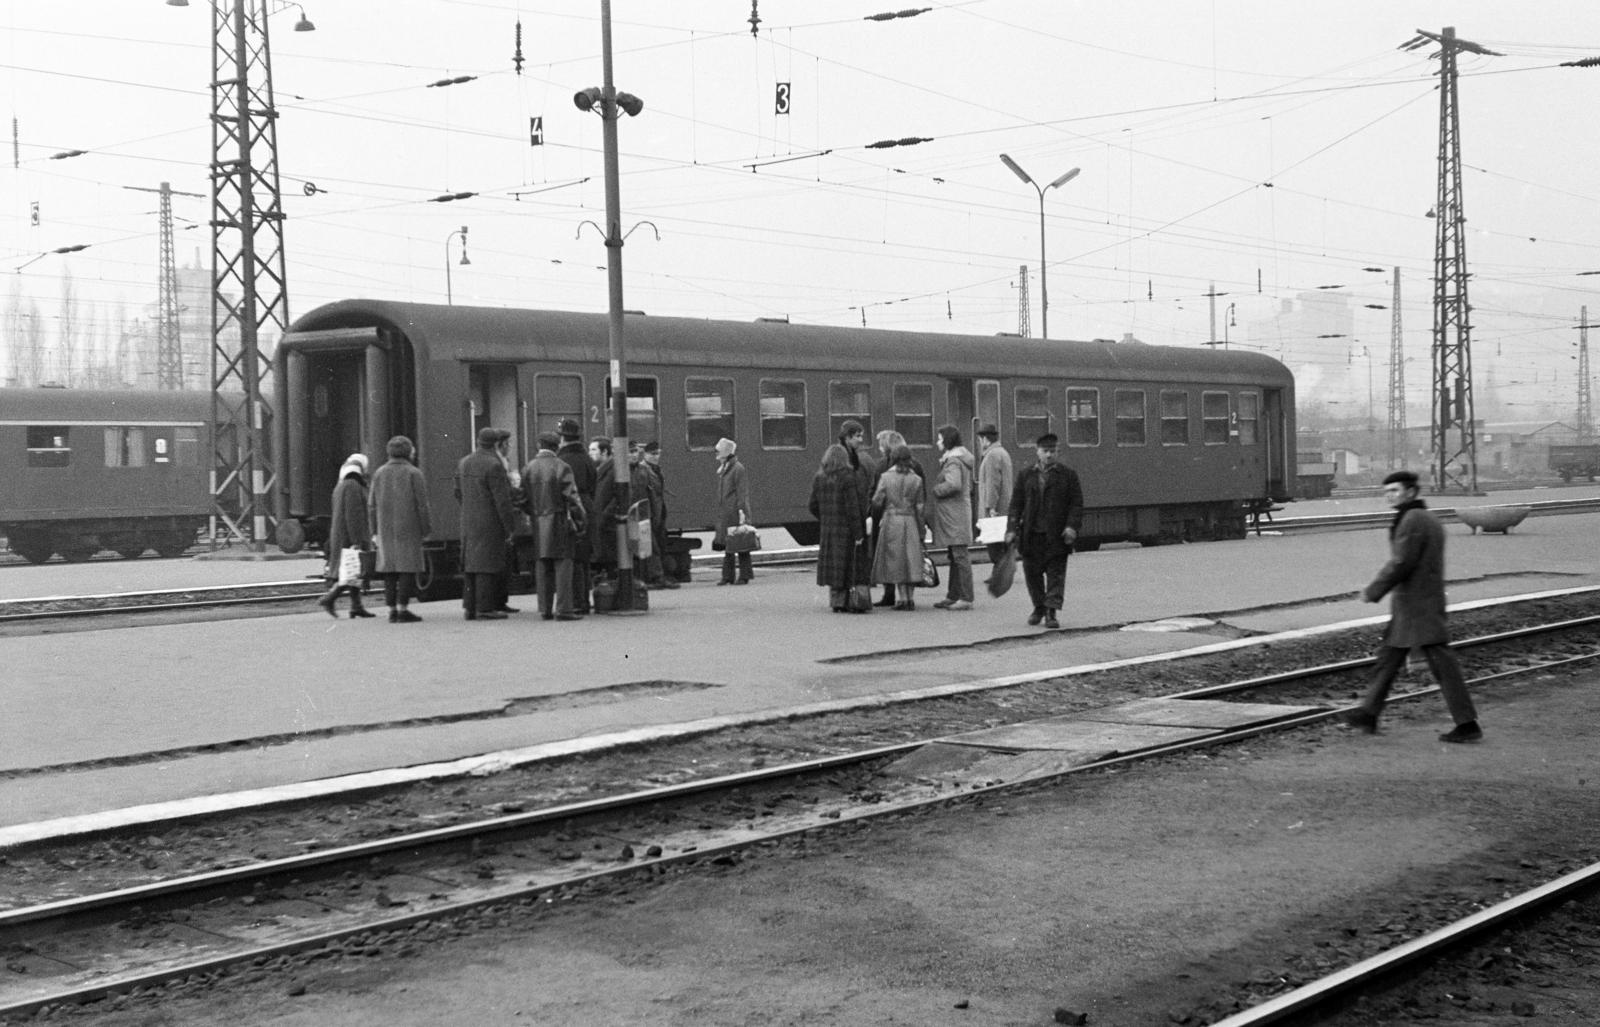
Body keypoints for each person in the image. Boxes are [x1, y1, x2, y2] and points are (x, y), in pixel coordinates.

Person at [1343, 470, 1483, 742]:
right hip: (1415, 603)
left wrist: (1373, 590)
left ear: (1410, 492)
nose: (1389, 496)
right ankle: (1368, 713)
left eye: (1395, 490)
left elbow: (1402, 562)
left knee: (1442, 664)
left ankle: (1467, 724)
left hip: (1418, 605)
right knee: (1389, 657)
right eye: (1386, 491)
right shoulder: (1425, 517)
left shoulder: (1412, 519)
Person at [1005, 432, 1083, 629]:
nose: (1049, 455)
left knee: (1056, 574)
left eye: (1052, 451)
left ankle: (1051, 612)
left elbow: (1076, 504)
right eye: (1045, 451)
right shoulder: (1026, 475)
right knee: (1033, 574)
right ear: (1037, 452)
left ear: (1058, 452)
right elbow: (1016, 504)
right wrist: (1012, 528)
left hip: (1057, 535)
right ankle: (1039, 606)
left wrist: (1071, 526)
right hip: (1031, 534)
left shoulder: (1068, 475)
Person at [521, 431, 587, 621]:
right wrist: (581, 522)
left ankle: (545, 609)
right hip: (559, 521)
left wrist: (533, 512)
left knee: (543, 566)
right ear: (556, 447)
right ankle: (564, 609)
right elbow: (573, 498)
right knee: (563, 566)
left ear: (538, 445)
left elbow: (521, 498)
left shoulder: (529, 468)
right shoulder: (562, 467)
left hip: (538, 522)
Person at [456, 426, 519, 621]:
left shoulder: (464, 462)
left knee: (471, 565)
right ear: (496, 444)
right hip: (489, 520)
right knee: (487, 564)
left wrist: (469, 506)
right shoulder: (493, 464)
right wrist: (510, 526)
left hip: (468, 519)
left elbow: (457, 491)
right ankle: (485, 609)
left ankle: (470, 607)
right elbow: (502, 499)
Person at [368, 435, 432, 623]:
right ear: (408, 452)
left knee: (389, 570)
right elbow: (422, 505)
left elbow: (371, 505)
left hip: (385, 529)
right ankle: (403, 609)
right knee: (407, 568)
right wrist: (426, 529)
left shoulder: (379, 473)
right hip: (409, 527)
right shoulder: (414, 473)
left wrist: (374, 530)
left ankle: (392, 610)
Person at [809, 443, 870, 613]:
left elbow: (812, 505)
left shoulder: (819, 478)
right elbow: (853, 508)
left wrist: (826, 518)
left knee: (834, 568)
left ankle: (836, 602)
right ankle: (849, 601)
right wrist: (859, 533)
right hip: (846, 530)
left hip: (828, 530)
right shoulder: (848, 477)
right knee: (848, 566)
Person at [870, 429, 925, 608]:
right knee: (910, 559)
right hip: (910, 520)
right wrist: (922, 528)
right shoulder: (916, 479)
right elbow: (920, 506)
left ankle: (900, 598)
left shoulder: (885, 477)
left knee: (896, 560)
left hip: (892, 520)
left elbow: (877, 500)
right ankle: (909, 598)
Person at [317, 453, 375, 619]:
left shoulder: (341, 485)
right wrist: (357, 540)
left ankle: (356, 606)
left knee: (353, 571)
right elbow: (353, 514)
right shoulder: (352, 486)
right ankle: (330, 599)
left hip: (342, 535)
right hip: (350, 536)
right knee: (352, 570)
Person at [929, 425, 976, 610]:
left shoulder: (954, 462)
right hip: (956, 513)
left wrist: (936, 490)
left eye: (940, 439)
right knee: (955, 555)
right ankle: (954, 595)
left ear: (947, 440)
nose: (938, 442)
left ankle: (965, 598)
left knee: (960, 556)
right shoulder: (958, 459)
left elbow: (953, 484)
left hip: (954, 514)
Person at [556, 419, 597, 613]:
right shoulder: (587, 459)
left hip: (571, 508)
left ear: (563, 438)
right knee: (583, 557)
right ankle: (584, 601)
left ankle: (577, 602)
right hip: (588, 505)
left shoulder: (562, 460)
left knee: (572, 557)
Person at [712, 436, 754, 585]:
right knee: (729, 545)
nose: (716, 454)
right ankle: (728, 576)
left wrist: (742, 513)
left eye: (718, 451)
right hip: (726, 513)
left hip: (735, 512)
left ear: (726, 452)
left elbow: (742, 493)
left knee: (741, 545)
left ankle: (744, 576)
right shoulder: (725, 468)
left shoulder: (737, 469)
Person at [640, 441, 680, 589]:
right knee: (653, 547)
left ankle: (660, 575)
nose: (656, 457)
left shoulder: (656, 470)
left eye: (658, 453)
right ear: (645, 454)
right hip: (650, 513)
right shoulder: (643, 470)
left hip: (658, 512)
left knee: (659, 545)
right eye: (653, 454)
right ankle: (656, 577)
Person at [975, 423, 1014, 569]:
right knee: (1000, 543)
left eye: (980, 440)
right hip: (1004, 507)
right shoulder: (1003, 452)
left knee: (994, 546)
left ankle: (1001, 573)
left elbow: (993, 483)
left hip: (995, 510)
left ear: (985, 439)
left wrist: (990, 506)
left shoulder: (992, 455)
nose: (980, 443)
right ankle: (1001, 572)